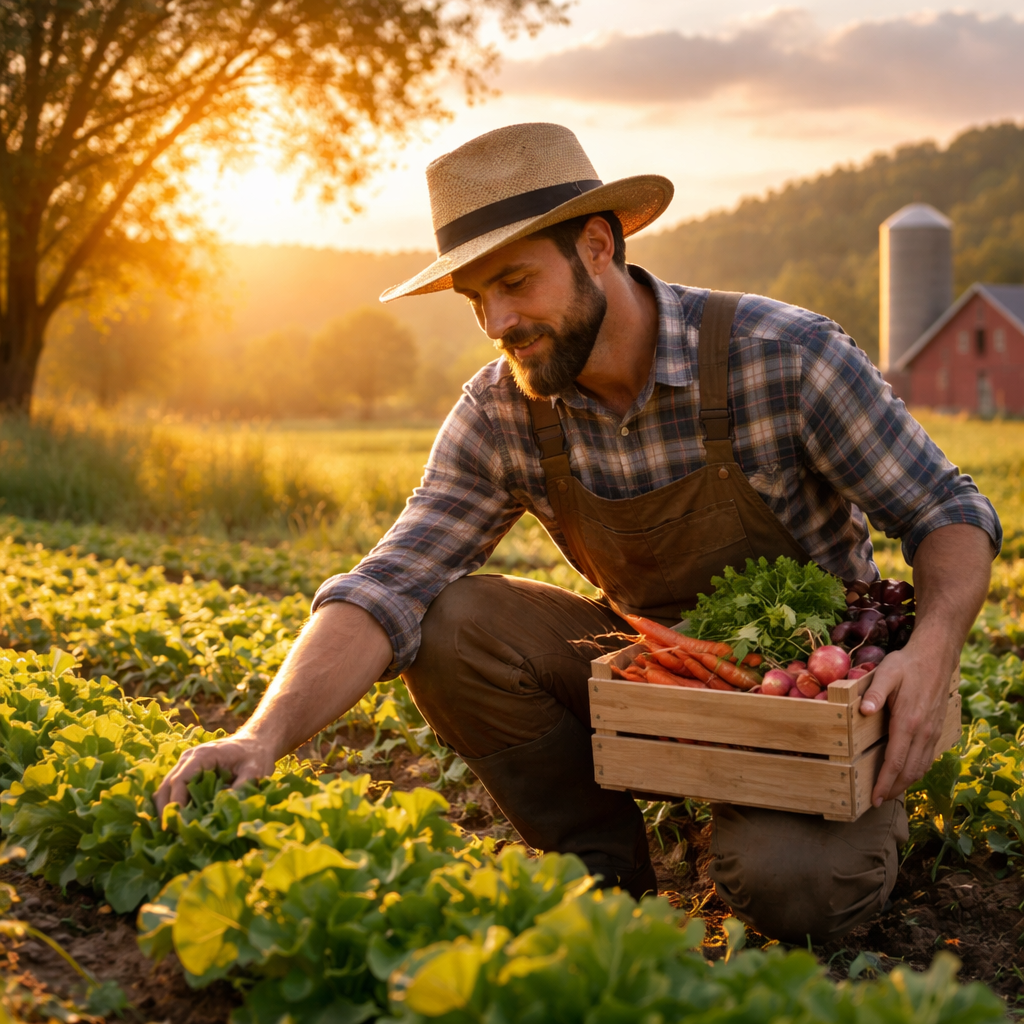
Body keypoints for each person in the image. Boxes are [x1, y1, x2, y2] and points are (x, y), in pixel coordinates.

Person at [156, 123, 999, 943]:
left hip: (803, 710)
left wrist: (929, 656)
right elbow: (390, 582)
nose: (496, 321)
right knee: (452, 625)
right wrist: (258, 736)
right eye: (475, 297)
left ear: (597, 245)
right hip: (648, 678)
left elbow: (947, 512)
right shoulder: (500, 409)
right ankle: (605, 880)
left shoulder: (782, 355)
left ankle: (787, 828)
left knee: (794, 889)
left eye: (515, 282)